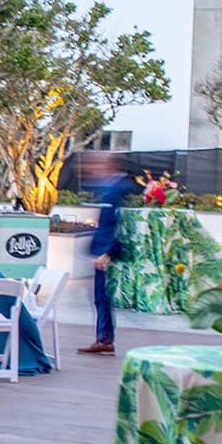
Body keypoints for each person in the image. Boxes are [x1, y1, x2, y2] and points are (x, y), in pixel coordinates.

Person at [77, 152, 141, 355]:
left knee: (104, 297)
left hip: (109, 254)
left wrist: (109, 253)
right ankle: (103, 337)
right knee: (100, 297)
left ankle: (105, 338)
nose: (93, 168)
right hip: (102, 251)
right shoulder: (111, 187)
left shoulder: (120, 189)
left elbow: (122, 225)